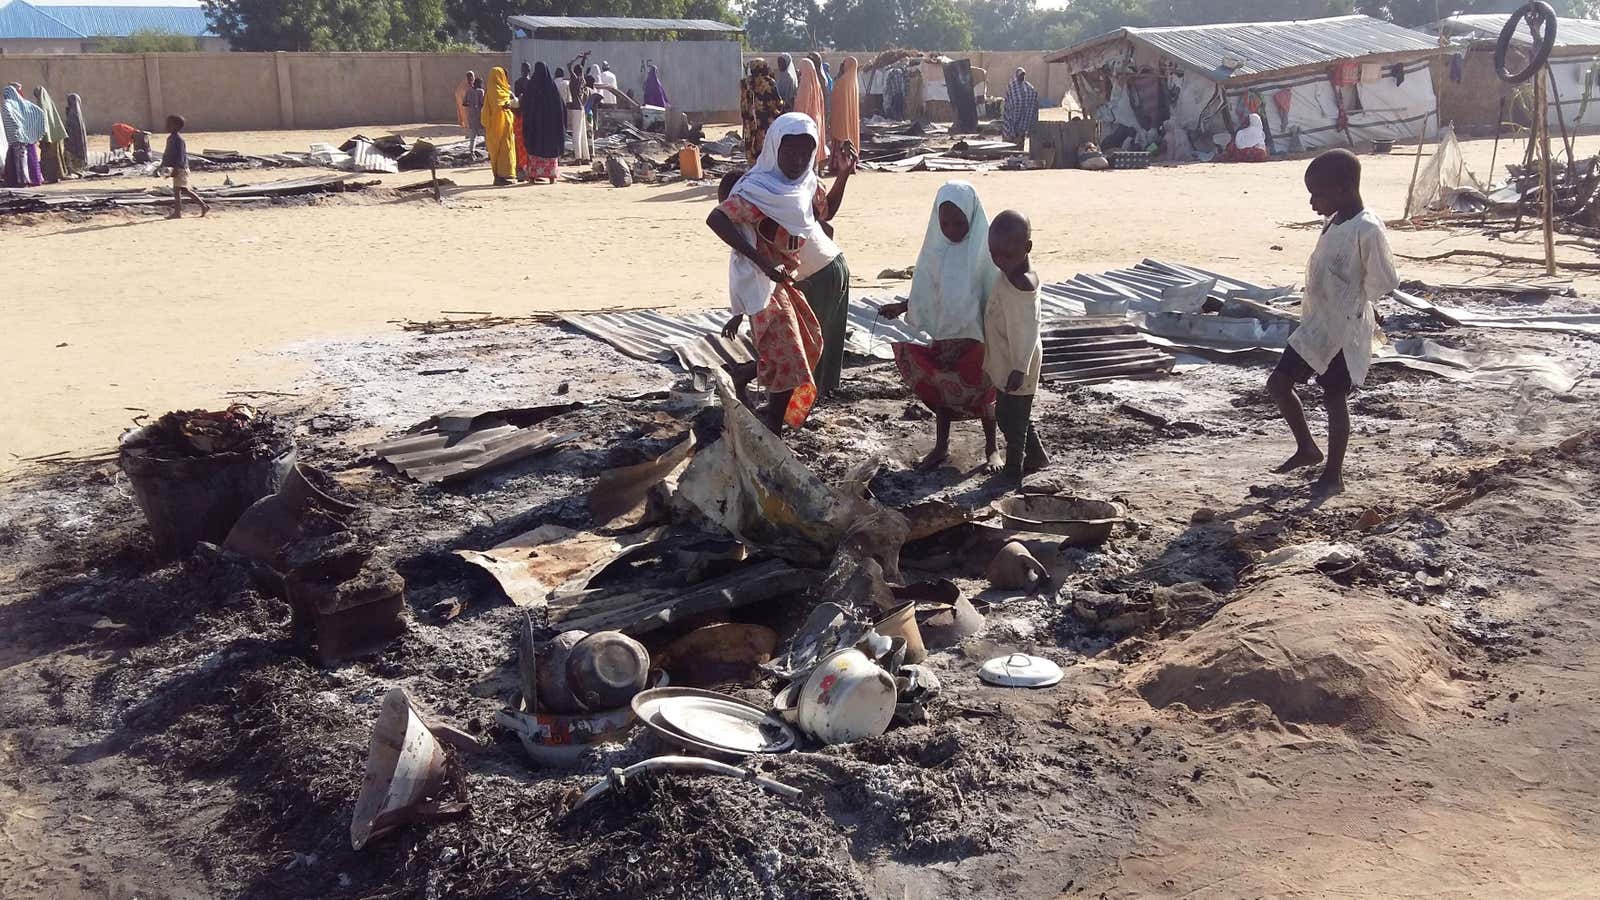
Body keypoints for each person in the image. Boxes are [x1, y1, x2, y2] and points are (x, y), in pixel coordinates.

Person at [1268, 149, 1399, 495]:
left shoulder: (1367, 228)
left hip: (1345, 329)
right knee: (1279, 384)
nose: (1312, 202)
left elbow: (1383, 278)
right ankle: (1307, 448)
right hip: (1317, 324)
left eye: (1318, 194)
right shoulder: (1335, 220)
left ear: (1342, 190)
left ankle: (1333, 474)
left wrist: (1362, 304)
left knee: (1333, 396)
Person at [706, 114, 834, 434]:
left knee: (808, 345)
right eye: (789, 152)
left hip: (787, 282)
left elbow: (825, 213)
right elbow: (717, 219)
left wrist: (843, 175)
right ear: (774, 148)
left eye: (805, 153)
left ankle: (769, 414)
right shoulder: (757, 190)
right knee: (788, 356)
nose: (797, 160)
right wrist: (762, 263)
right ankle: (773, 426)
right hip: (763, 285)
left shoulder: (807, 183)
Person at [879, 182, 1002, 471]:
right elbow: (926, 290)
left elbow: (993, 293)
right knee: (943, 391)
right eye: (945, 222)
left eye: (959, 222)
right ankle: (941, 447)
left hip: (976, 338)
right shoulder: (937, 252)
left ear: (971, 217)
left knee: (984, 394)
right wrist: (903, 306)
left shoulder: (983, 252)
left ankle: (992, 448)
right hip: (946, 336)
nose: (951, 229)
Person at [984, 210, 1048, 479]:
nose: (999, 261)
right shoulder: (1010, 272)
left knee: (1014, 420)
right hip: (1008, 359)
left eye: (1007, 255)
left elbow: (1027, 333)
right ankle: (1037, 456)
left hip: (1019, 364)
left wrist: (1019, 368)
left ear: (1027, 248)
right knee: (1010, 415)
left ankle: (1013, 469)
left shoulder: (1022, 285)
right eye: (994, 254)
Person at [522, 62, 565, 184]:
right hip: (550, 131)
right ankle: (551, 177)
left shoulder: (531, 86)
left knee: (534, 150)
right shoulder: (552, 88)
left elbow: (525, 104)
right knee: (549, 150)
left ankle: (532, 176)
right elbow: (561, 108)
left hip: (535, 128)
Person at [160, 114, 208, 219]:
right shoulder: (170, 138)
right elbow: (167, 153)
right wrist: (163, 165)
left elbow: (181, 156)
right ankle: (202, 206)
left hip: (180, 168)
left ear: (176, 126)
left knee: (179, 190)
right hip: (175, 168)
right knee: (182, 190)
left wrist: (177, 168)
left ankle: (179, 212)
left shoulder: (179, 140)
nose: (166, 126)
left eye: (169, 124)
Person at [741, 58, 784, 162]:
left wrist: (746, 118)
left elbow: (743, 103)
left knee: (752, 144)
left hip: (751, 121)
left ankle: (753, 166)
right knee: (766, 146)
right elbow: (778, 102)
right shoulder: (769, 82)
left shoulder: (746, 82)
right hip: (766, 121)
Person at [2, 84, 45, 187]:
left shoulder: (7, 104)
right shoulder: (23, 103)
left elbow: (8, 118)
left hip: (14, 137)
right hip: (24, 136)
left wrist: (17, 127)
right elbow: (39, 112)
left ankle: (22, 181)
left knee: (19, 161)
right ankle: (23, 180)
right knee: (22, 158)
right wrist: (26, 128)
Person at [481, 67, 517, 186]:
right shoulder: (495, 91)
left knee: (505, 150)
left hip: (504, 125)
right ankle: (500, 176)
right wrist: (511, 103)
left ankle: (504, 175)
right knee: (502, 150)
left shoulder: (503, 90)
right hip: (498, 126)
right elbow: (500, 106)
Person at [793, 57, 828, 169]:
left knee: (806, 153)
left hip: (805, 123)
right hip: (815, 120)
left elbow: (800, 107)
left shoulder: (805, 85)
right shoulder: (816, 84)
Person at [829, 57, 860, 174]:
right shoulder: (854, 81)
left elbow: (835, 98)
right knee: (849, 140)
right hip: (850, 119)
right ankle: (850, 165)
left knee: (841, 139)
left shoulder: (842, 81)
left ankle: (838, 165)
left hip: (841, 117)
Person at [33, 87, 67, 183]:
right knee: (56, 156)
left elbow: (44, 123)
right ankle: (57, 175)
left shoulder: (41, 105)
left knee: (48, 157)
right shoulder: (50, 103)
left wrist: (43, 137)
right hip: (56, 135)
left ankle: (50, 177)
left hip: (49, 137)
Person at [1003, 68, 1040, 150]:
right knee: (1012, 140)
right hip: (1015, 119)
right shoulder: (1014, 86)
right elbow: (1008, 102)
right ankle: (1011, 153)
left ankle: (1017, 153)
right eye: (1020, 75)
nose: (1022, 77)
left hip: (1021, 121)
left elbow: (1034, 104)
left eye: (1023, 75)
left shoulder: (1027, 88)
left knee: (1017, 139)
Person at [567, 53, 593, 162]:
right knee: (582, 134)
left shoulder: (575, 79)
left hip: (576, 109)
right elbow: (580, 69)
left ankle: (578, 157)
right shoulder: (583, 80)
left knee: (576, 134)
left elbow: (569, 65)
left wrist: (577, 57)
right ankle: (586, 156)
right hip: (582, 108)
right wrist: (583, 59)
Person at [513, 62, 532, 179]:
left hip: (520, 114)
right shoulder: (531, 83)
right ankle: (527, 168)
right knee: (526, 142)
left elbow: (516, 100)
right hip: (528, 115)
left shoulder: (518, 82)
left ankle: (521, 168)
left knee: (520, 142)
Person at [63, 92, 87, 175]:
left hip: (72, 141)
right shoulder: (78, 115)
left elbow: (69, 129)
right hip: (76, 142)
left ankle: (72, 169)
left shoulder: (72, 115)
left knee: (69, 154)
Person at [463, 73, 485, 155]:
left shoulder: (468, 91)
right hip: (480, 116)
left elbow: (464, 103)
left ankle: (471, 151)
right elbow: (482, 103)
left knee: (473, 136)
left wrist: (471, 105)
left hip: (471, 116)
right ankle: (490, 152)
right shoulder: (481, 91)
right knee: (486, 135)